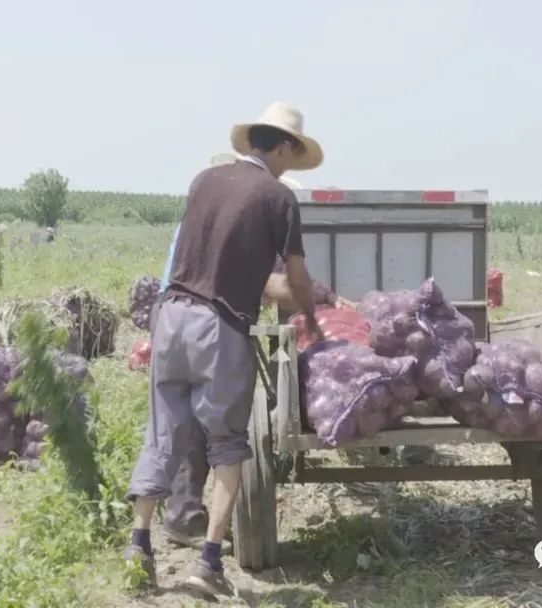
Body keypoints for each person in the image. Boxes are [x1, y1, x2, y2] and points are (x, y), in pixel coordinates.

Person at [125, 102, 324, 598]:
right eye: (290, 153)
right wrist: (313, 315)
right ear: (281, 146)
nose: (288, 163)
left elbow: (223, 264)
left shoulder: (202, 181)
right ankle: (208, 564)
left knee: (162, 433)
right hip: (220, 328)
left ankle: (138, 547)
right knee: (230, 445)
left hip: (170, 318)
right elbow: (293, 278)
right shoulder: (279, 198)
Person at [147, 160, 305, 553]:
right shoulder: (229, 224)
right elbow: (267, 282)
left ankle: (170, 522)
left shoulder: (206, 210)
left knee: (183, 417)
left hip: (175, 315)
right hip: (200, 320)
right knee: (206, 423)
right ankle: (187, 521)